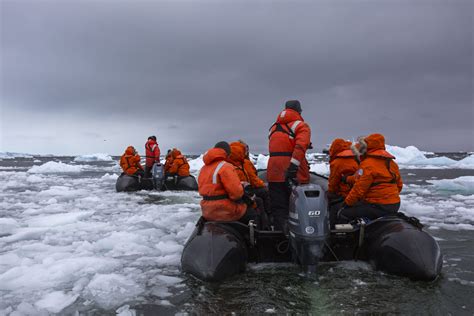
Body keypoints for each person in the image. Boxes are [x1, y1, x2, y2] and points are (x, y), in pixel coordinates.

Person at [338, 133, 403, 223]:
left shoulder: (368, 164)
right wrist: (347, 179)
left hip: (378, 206)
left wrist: (346, 203)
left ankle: (354, 235)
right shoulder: (392, 163)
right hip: (394, 204)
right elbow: (399, 185)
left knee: (344, 213)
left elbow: (359, 189)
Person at [267, 100, 311, 231]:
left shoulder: (273, 128)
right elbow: (300, 146)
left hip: (274, 172)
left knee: (279, 207)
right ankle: (302, 234)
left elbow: (280, 145)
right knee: (299, 206)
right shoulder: (301, 126)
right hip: (293, 173)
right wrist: (293, 168)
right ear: (299, 111)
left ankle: (280, 236)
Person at [198, 141, 258, 224]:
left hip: (207, 211)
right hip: (225, 211)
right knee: (253, 213)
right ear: (227, 153)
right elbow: (236, 194)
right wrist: (243, 188)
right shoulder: (225, 167)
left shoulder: (203, 169)